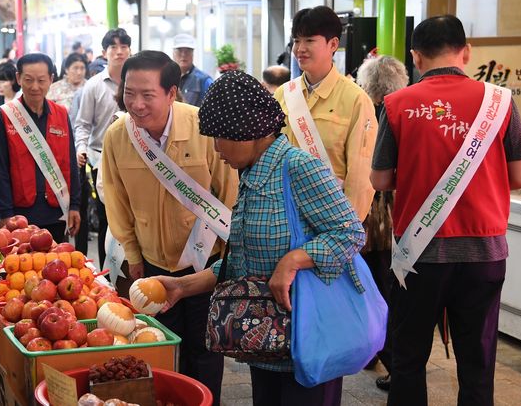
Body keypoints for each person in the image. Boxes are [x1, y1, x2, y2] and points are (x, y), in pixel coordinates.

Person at [153, 70, 365, 406]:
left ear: (248, 131)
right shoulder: (251, 173)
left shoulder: (297, 167)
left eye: (220, 137)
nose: (216, 148)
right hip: (266, 339)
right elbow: (241, 259)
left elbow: (350, 233)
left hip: (306, 334)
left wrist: (293, 261)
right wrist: (183, 287)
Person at [370, 15, 521, 406]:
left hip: (419, 254)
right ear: (466, 52)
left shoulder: (396, 104)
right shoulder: (500, 101)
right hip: (485, 251)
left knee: (408, 356)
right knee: (477, 358)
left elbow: (378, 180)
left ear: (416, 57)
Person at [102, 51, 239, 405]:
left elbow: (228, 191)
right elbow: (116, 203)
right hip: (152, 267)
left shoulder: (203, 126)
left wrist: (228, 258)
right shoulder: (118, 136)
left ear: (172, 92)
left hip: (204, 265)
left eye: (148, 94)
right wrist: (132, 255)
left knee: (206, 350)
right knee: (159, 348)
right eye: (129, 93)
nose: (137, 104)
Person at [274, 6, 377, 221]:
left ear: (333, 44)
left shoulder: (356, 99)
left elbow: (360, 177)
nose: (300, 48)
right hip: (281, 217)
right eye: (296, 40)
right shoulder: (283, 93)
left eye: (309, 40)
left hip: (328, 221)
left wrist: (347, 230)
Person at [354, 55, 409, 389]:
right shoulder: (404, 111)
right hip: (395, 219)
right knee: (387, 288)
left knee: (373, 288)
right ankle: (378, 352)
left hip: (370, 216)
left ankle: (390, 358)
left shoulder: (374, 113)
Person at [0, 53, 81, 243]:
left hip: (57, 210)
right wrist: (6, 212)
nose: (35, 87)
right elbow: (0, 168)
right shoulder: (5, 115)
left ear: (51, 79)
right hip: (19, 214)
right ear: (18, 78)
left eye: (41, 80)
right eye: (28, 80)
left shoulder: (61, 114)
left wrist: (74, 205)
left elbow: (71, 162)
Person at [75, 28, 131, 267]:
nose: (119, 52)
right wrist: (81, 148)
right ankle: (107, 273)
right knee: (106, 219)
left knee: (130, 220)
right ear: (104, 52)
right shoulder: (94, 86)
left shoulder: (136, 81)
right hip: (100, 162)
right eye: (113, 48)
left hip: (134, 161)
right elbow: (83, 124)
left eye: (123, 47)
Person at [48, 52, 90, 253]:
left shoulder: (89, 87)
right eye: (75, 67)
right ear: (66, 69)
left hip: (85, 152)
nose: (79, 72)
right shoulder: (54, 90)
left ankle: (80, 251)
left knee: (80, 204)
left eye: (82, 68)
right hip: (59, 152)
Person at [172, 33, 213, 107]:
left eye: (187, 51)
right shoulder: (167, 78)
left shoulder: (204, 80)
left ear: (193, 54)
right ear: (173, 53)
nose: (183, 54)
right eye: (179, 50)